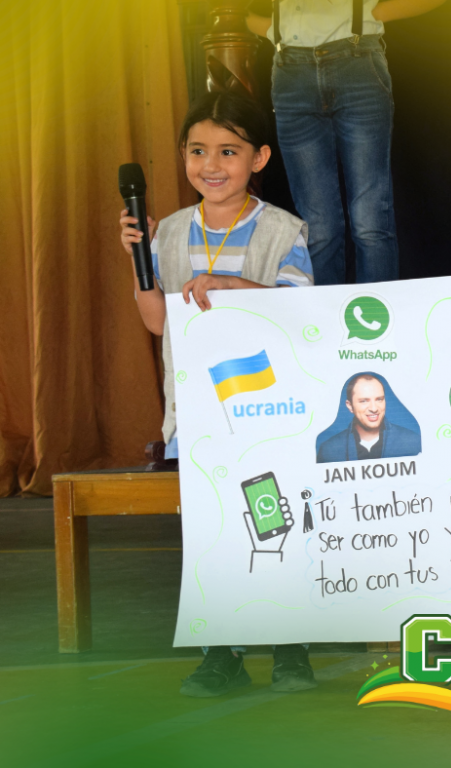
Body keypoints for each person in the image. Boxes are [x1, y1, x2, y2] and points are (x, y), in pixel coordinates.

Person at [119, 90, 317, 698]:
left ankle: (290, 647)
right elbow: (158, 321)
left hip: (267, 408)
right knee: (212, 533)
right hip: (197, 412)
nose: (211, 164)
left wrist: (233, 284)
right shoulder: (169, 232)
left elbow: (301, 311)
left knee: (274, 522)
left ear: (259, 158)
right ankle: (220, 653)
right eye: (198, 150)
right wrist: (138, 259)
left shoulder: (283, 229)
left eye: (229, 151)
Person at [246, 0, 447, 286]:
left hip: (356, 60)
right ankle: (325, 314)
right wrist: (271, 27)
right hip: (291, 69)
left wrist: (372, 13)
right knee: (318, 228)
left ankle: (376, 311)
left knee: (370, 220)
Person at [316, 374, 421, 463]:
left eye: (379, 399)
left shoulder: (412, 442)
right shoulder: (329, 451)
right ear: (350, 406)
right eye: (364, 401)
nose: (374, 408)